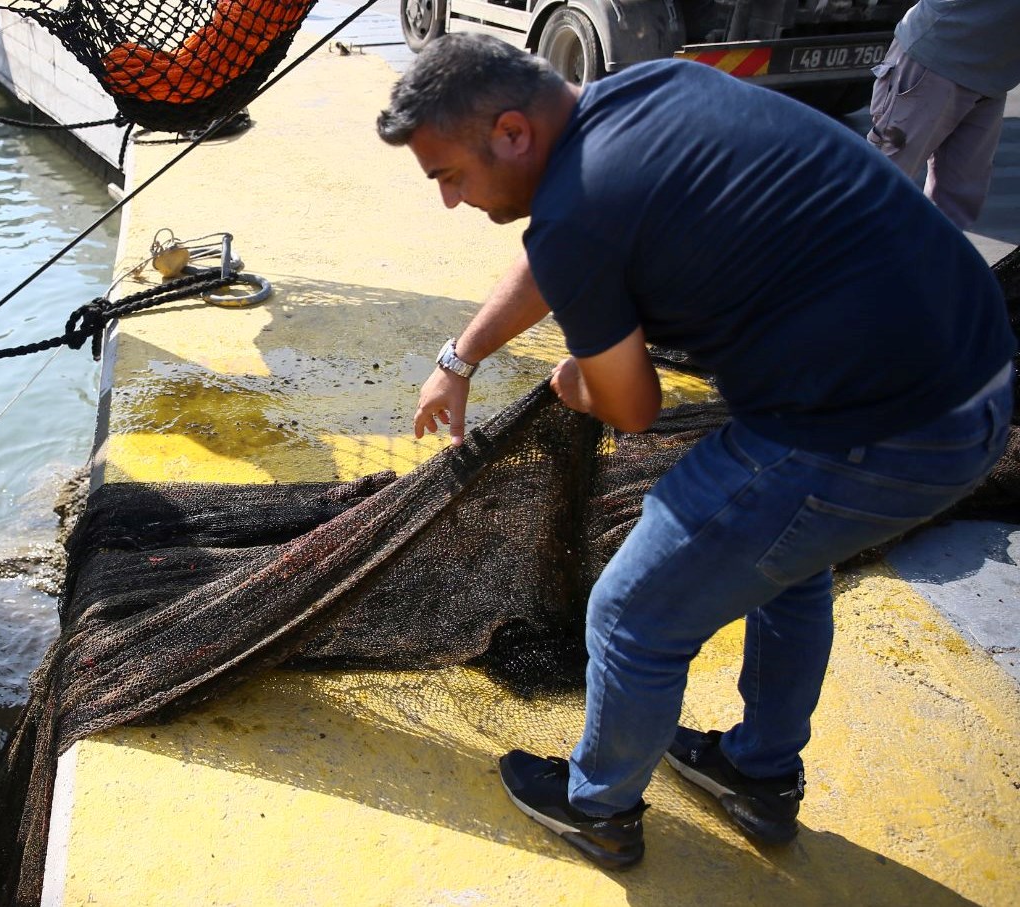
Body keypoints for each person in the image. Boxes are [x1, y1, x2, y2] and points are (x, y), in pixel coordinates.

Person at [377, 33, 1014, 870]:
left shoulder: (577, 216)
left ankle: (596, 806)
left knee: (630, 616)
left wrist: (579, 383)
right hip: (979, 383)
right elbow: (553, 259)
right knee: (787, 565)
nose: (450, 201)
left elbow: (632, 407)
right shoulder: (652, 89)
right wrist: (459, 359)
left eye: (448, 175)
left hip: (878, 433)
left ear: (510, 133)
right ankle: (759, 772)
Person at [868, 0, 1020, 229]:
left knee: (955, 206)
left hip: (992, 75)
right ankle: (832, 260)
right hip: (939, 55)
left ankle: (929, 263)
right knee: (880, 183)